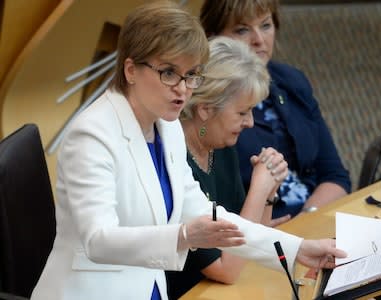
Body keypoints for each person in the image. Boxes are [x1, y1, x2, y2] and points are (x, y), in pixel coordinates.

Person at [30, 2, 346, 300]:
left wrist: (298, 249)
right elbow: (97, 240)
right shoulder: (92, 134)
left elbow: (206, 214)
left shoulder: (166, 126)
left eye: (191, 75)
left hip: (146, 287)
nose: (183, 89)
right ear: (131, 70)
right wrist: (183, 236)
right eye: (169, 73)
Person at [200, 0, 351, 220]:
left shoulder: (292, 81)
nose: (259, 40)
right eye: (242, 30)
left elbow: (335, 175)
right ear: (213, 38)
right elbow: (214, 202)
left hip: (317, 215)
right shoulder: (211, 106)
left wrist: (306, 220)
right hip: (256, 232)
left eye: (265, 25)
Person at [166, 36, 289, 299]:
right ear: (206, 110)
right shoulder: (173, 161)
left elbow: (254, 241)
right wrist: (258, 188)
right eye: (242, 112)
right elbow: (226, 268)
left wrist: (269, 193)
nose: (251, 123)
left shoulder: (219, 147)